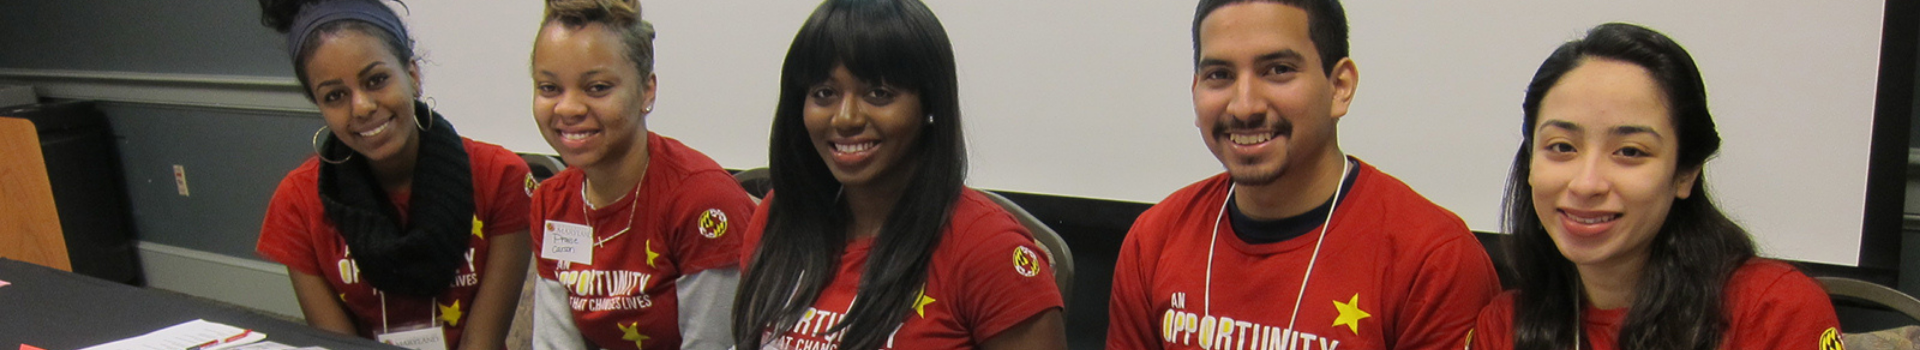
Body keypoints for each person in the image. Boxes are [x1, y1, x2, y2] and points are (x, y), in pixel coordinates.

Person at [1106, 0, 1501, 348]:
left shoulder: (1433, 260)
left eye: (1277, 70)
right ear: (1195, 92)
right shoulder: (1155, 239)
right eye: (1220, 76)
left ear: (1339, 87)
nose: (1244, 106)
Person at [1468, 23, 1843, 350]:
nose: (1586, 183)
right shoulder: (1506, 325)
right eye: (1562, 147)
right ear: (1531, 163)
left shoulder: (1772, 308)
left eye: (1630, 151)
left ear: (1685, 173)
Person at [729, 0, 1067, 349]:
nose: (845, 118)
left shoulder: (987, 250)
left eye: (879, 94)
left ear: (930, 105)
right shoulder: (780, 217)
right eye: (824, 93)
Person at [253, 1, 531, 349]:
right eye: (335, 96)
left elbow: (483, 342)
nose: (363, 107)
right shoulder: (297, 201)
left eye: (377, 80)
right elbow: (340, 346)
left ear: (412, 76)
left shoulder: (499, 177)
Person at [525, 0, 756, 349]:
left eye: (597, 87)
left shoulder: (701, 200)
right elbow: (555, 344)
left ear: (647, 90)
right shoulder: (551, 200)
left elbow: (713, 343)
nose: (568, 108)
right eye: (549, 88)